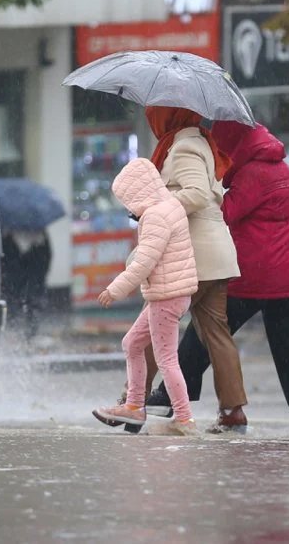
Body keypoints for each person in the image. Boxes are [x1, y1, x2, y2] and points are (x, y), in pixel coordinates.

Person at [147, 121, 289, 438]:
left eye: (221, 148)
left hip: (257, 275)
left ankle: (167, 399)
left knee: (207, 329)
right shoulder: (278, 168)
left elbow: (224, 214)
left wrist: (202, 192)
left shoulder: (253, 174)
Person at [140, 106, 248, 434]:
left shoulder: (184, 146)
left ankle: (133, 401)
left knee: (151, 327)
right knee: (217, 333)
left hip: (194, 254)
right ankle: (233, 412)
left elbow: (198, 194)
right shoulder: (202, 142)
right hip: (216, 254)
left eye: (155, 114)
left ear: (168, 115)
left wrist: (157, 208)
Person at [92, 158, 199, 435]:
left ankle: (184, 419)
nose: (127, 207)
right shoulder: (170, 205)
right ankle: (134, 406)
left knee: (166, 359)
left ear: (137, 193)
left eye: (127, 200)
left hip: (166, 296)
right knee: (132, 344)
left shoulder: (155, 216)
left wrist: (114, 289)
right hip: (172, 293)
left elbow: (143, 263)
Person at [1, 229, 52, 339]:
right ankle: (24, 331)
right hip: (23, 276)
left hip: (26, 276)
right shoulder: (40, 236)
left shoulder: (8, 234)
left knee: (27, 301)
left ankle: (26, 331)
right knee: (26, 301)